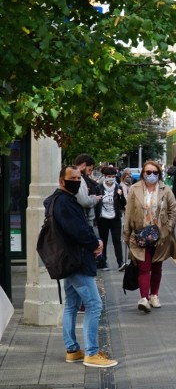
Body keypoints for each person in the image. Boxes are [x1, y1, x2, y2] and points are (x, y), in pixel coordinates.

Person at [45, 165, 117, 368]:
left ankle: (73, 350)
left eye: (78, 178)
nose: (76, 181)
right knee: (94, 305)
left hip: (68, 259)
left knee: (71, 305)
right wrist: (96, 244)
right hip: (76, 260)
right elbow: (78, 230)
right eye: (72, 178)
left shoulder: (57, 201)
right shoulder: (65, 203)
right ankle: (92, 353)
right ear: (61, 181)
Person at [123, 160, 176, 313]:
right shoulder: (134, 189)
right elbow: (128, 213)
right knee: (143, 266)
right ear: (143, 174)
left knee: (157, 266)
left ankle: (154, 295)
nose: (152, 175)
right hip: (140, 234)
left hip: (159, 235)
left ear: (159, 174)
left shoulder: (165, 190)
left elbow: (174, 211)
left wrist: (168, 229)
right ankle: (144, 298)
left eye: (155, 173)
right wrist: (126, 233)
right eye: (149, 172)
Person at [95, 166, 127, 271]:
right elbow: (95, 203)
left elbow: (123, 204)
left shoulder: (118, 187)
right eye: (109, 176)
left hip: (115, 218)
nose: (111, 178)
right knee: (103, 240)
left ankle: (120, 262)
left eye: (113, 176)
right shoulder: (98, 188)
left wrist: (121, 196)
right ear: (105, 176)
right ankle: (103, 262)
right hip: (103, 218)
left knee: (116, 240)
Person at [73, 154, 101, 228]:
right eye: (89, 170)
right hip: (82, 220)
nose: (89, 173)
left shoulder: (79, 179)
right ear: (83, 165)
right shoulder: (80, 179)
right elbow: (84, 201)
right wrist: (94, 198)